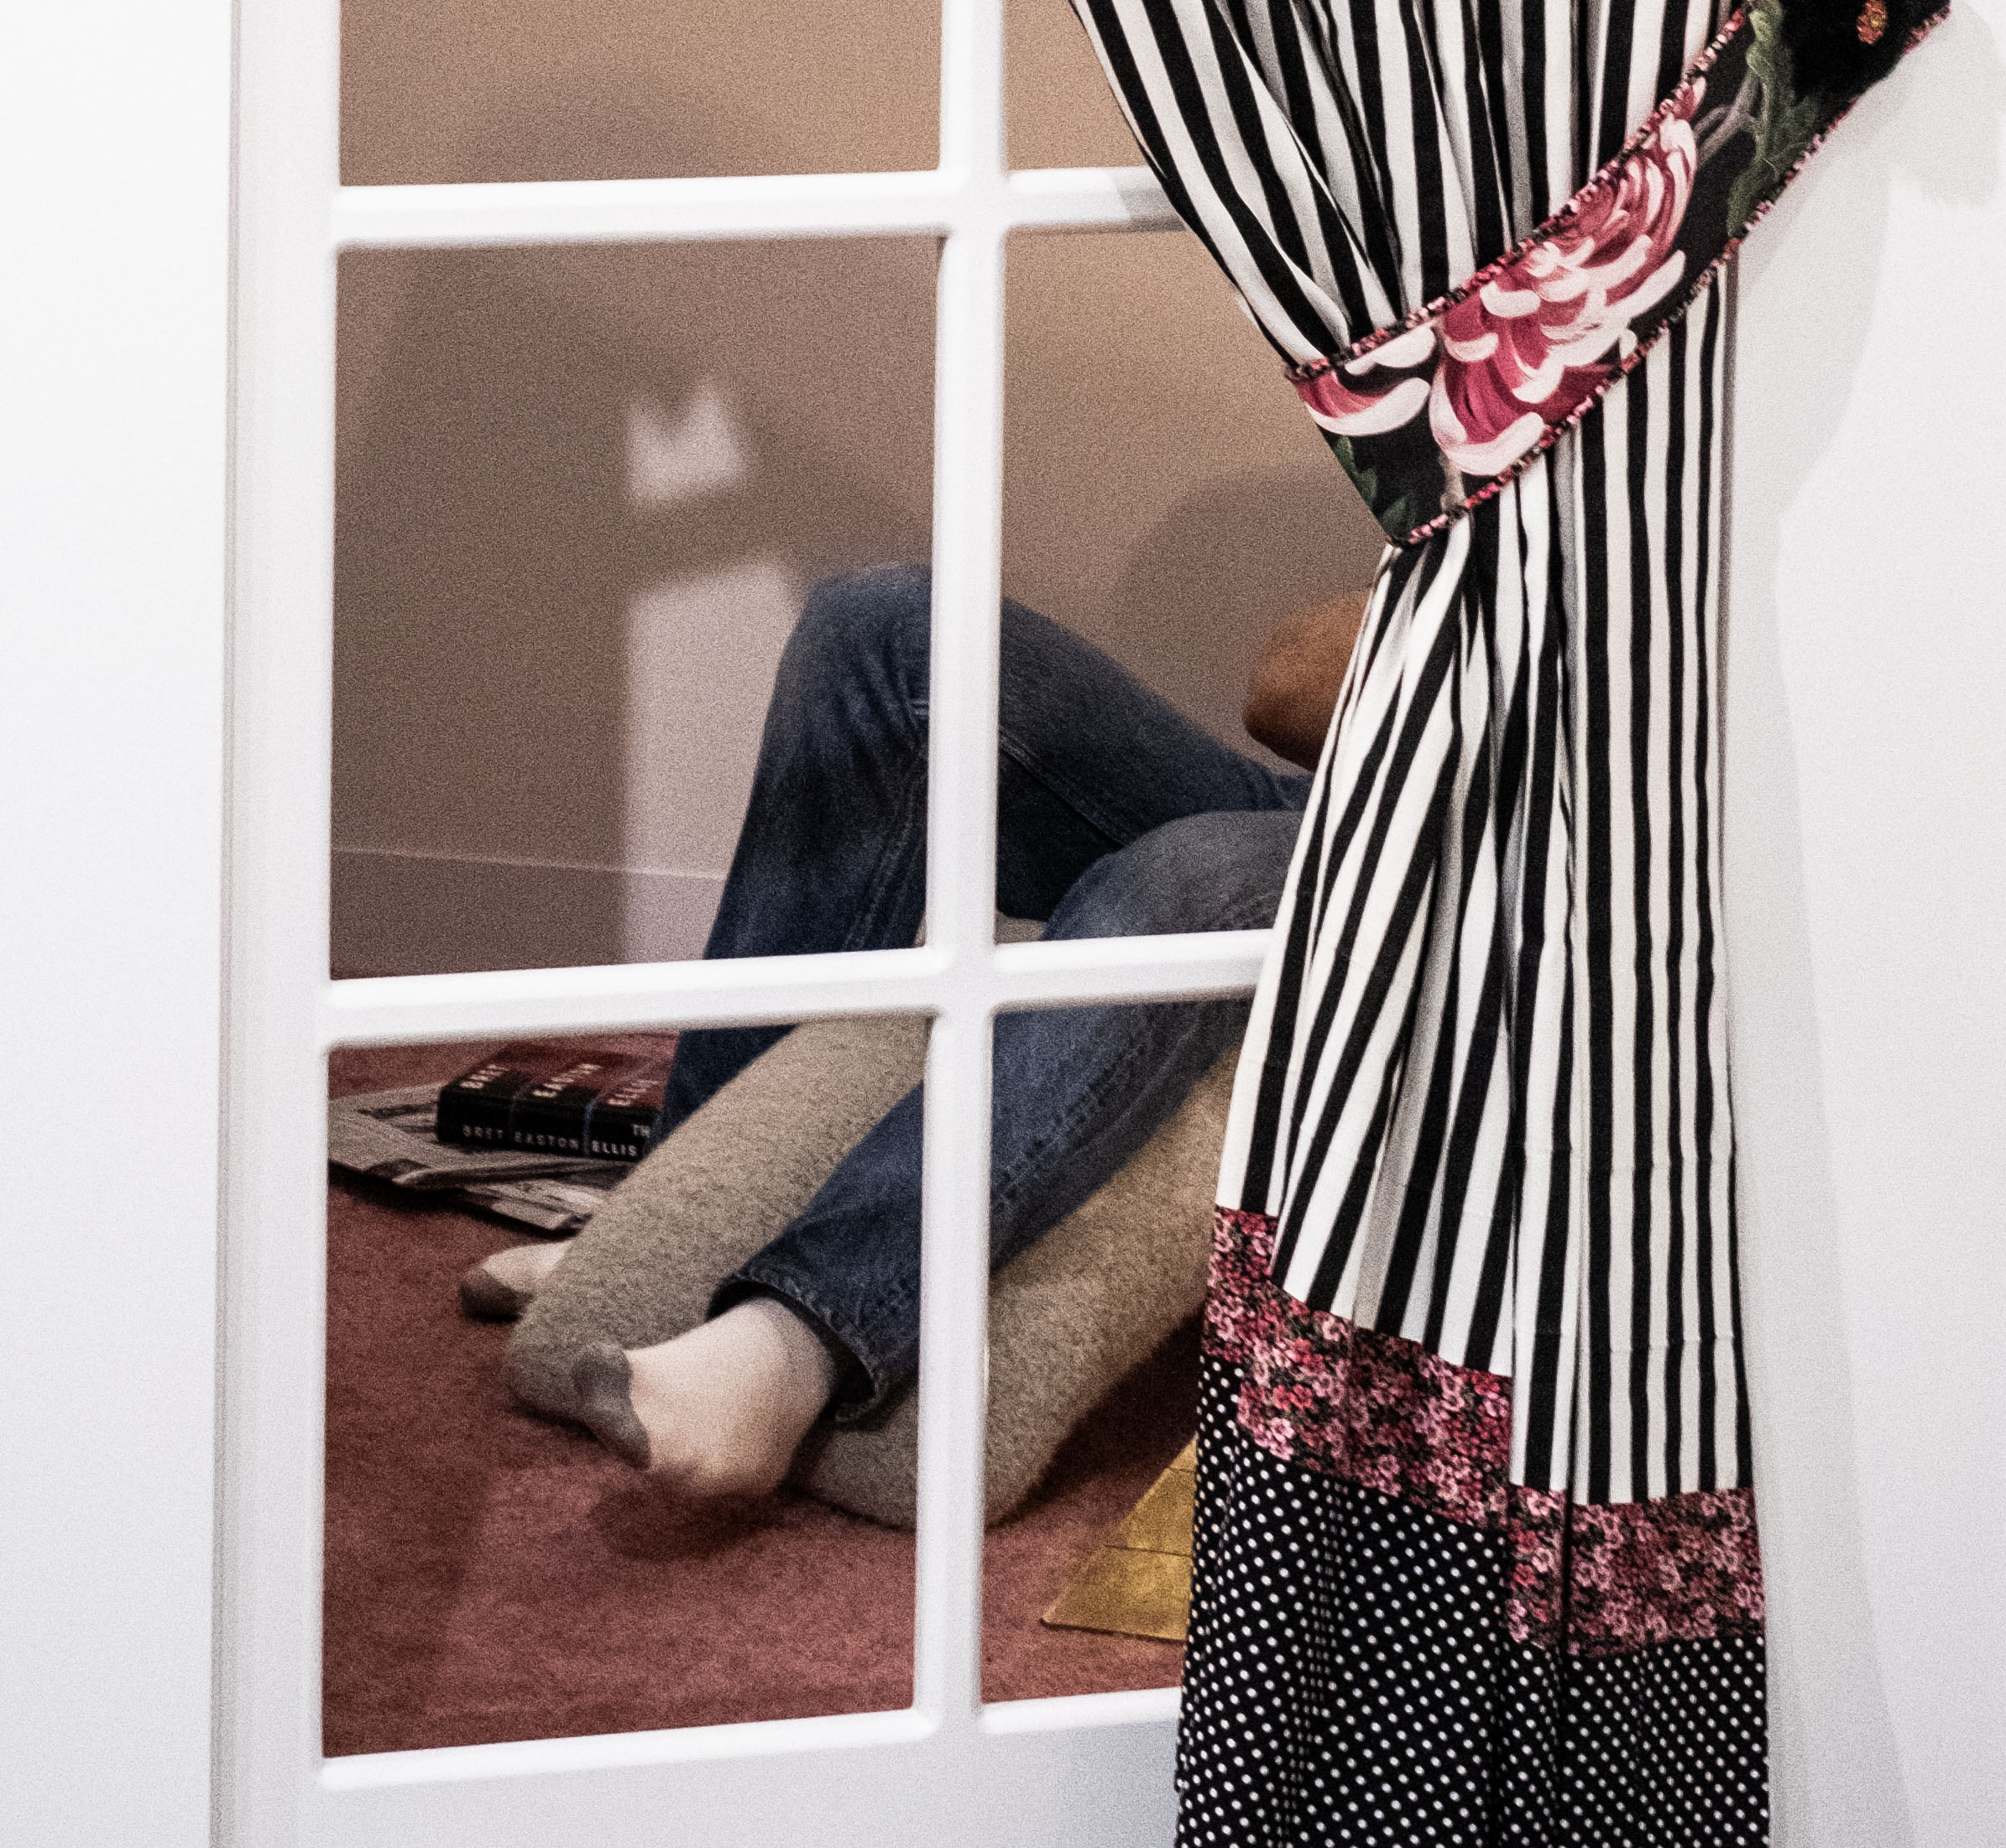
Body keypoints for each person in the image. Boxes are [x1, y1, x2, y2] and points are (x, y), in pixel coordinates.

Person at [477, 565, 1369, 1508]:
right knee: (881, 627)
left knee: (1183, 874)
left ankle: (793, 1344)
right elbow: (1281, 697)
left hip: (1468, 873)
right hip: (1343, 791)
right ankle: (658, 1234)